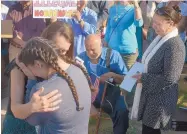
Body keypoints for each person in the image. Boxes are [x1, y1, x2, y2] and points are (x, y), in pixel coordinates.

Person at [2, 22, 73, 134]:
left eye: (64, 51)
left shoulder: (64, 65)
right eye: (56, 49)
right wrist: (33, 106)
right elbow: (16, 110)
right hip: (20, 127)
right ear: (45, 42)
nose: (59, 56)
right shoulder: (21, 65)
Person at [18, 37, 91, 134]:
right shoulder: (80, 70)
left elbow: (30, 120)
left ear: (38, 64)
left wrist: (31, 80)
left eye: (30, 68)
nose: (32, 72)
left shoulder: (43, 91)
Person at [132, 6, 185, 134]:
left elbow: (170, 78)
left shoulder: (174, 45)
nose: (153, 26)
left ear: (171, 23)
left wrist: (143, 78)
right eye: (153, 22)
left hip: (160, 102)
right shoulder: (161, 38)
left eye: (158, 23)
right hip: (151, 97)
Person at [79, 34, 129, 134]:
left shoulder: (113, 55)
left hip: (110, 95)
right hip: (89, 97)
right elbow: (76, 86)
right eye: (87, 49)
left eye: (93, 49)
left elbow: (127, 81)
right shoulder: (80, 59)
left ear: (101, 45)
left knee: (122, 112)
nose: (89, 52)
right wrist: (88, 104)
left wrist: (113, 75)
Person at [104, 0, 143, 70]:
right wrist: (105, 46)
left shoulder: (133, 9)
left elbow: (139, 23)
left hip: (128, 52)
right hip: (112, 50)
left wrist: (136, 5)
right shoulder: (112, 9)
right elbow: (108, 29)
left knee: (127, 79)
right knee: (111, 77)